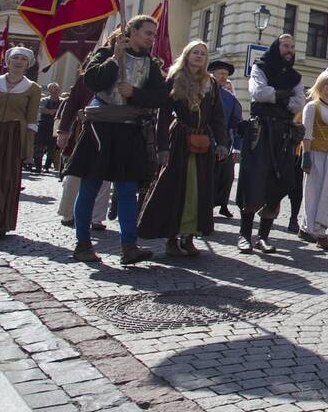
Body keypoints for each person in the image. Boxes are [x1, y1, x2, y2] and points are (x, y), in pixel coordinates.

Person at [65, 16, 168, 265]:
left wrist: (135, 93)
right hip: (101, 127)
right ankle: (82, 244)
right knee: (90, 187)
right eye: (147, 33)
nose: (151, 38)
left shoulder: (151, 64)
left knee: (127, 191)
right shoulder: (105, 54)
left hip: (129, 130)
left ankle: (129, 247)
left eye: (153, 34)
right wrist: (114, 59)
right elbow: (92, 80)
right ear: (131, 31)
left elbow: (160, 96)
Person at [139, 41, 229, 257]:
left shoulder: (211, 83)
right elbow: (163, 117)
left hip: (203, 141)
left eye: (202, 53)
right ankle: (171, 237)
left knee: (197, 190)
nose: (199, 56)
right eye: (195, 52)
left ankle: (188, 236)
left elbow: (218, 117)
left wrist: (222, 143)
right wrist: (163, 148)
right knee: (174, 188)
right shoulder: (174, 79)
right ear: (187, 55)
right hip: (179, 140)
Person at [237, 35, 305, 253]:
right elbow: (258, 92)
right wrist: (284, 97)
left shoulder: (295, 76)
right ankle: (244, 235)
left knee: (278, 183)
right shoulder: (261, 67)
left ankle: (263, 237)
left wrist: (277, 96)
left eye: (292, 47)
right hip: (260, 132)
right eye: (286, 45)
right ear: (277, 47)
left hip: (283, 135)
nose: (289, 50)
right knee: (253, 180)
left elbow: (298, 103)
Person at [0, 47, 42, 239]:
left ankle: (0, 222)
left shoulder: (33, 88)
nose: (18, 62)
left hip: (13, 136)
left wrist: (29, 150)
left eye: (23, 59)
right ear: (8, 61)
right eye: (15, 58)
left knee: (6, 178)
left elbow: (31, 120)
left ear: (28, 64)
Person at [55, 73, 110, 230]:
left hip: (111, 130)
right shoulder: (87, 77)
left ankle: (97, 217)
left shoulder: (125, 74)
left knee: (105, 175)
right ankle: (67, 212)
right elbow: (72, 104)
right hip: (84, 128)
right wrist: (63, 130)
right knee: (75, 173)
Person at [298, 71, 328, 250]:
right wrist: (306, 156)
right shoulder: (312, 107)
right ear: (320, 85)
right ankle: (317, 231)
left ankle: (308, 227)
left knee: (327, 191)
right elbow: (307, 133)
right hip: (317, 152)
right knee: (313, 190)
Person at [208, 61, 242, 218]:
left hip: (223, 143)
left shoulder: (231, 99)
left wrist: (236, 147)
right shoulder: (203, 91)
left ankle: (218, 205)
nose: (223, 76)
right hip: (203, 139)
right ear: (212, 74)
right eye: (220, 73)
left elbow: (236, 124)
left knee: (224, 177)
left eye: (226, 74)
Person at [34, 83, 61, 175]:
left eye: (56, 89)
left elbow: (64, 110)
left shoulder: (62, 101)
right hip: (43, 126)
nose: (54, 91)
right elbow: (41, 108)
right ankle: (38, 166)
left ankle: (47, 167)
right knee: (38, 146)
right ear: (49, 90)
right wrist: (50, 112)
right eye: (52, 89)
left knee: (52, 149)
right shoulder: (44, 100)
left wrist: (55, 112)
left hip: (55, 127)